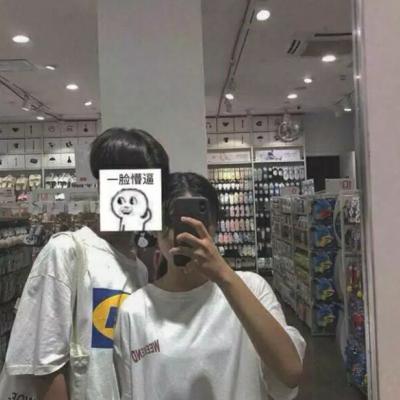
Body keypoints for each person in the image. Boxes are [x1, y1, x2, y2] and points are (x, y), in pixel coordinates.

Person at [4, 128, 169, 400]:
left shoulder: (139, 269)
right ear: (104, 185)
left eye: (151, 185)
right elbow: (44, 367)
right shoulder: (66, 252)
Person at [114, 172, 306, 400]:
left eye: (194, 222)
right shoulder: (134, 311)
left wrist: (223, 275)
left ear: (213, 226)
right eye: (172, 221)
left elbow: (290, 371)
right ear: (155, 229)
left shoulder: (250, 288)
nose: (180, 234)